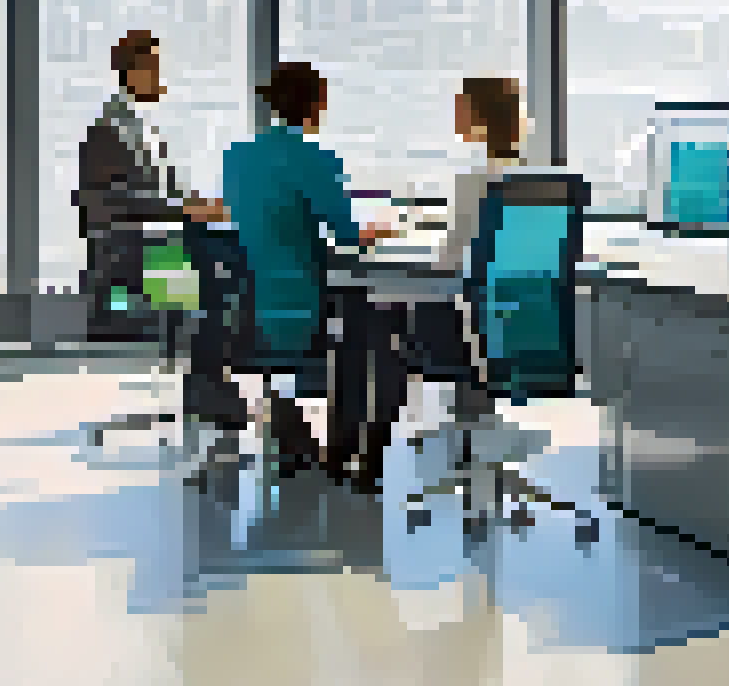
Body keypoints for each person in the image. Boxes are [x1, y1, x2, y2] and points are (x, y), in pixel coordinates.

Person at [222, 62, 393, 486]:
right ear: (315, 104)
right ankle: (355, 454)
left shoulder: (237, 158)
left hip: (248, 304)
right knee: (377, 333)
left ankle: (298, 433)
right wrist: (385, 228)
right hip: (302, 303)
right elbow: (348, 237)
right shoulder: (315, 159)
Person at [75, 31, 228, 340]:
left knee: (221, 250)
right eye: (155, 68)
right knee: (217, 260)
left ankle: (212, 354)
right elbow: (116, 201)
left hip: (147, 239)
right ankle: (211, 358)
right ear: (134, 73)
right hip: (129, 249)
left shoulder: (140, 126)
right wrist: (185, 209)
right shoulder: (110, 128)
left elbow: (164, 189)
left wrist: (200, 205)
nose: (162, 77)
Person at [416, 78, 528, 417]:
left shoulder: (477, 175)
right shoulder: (527, 171)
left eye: (460, 108)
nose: (455, 117)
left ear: (481, 115)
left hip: (478, 316)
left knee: (383, 317)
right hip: (517, 315)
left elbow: (449, 259)